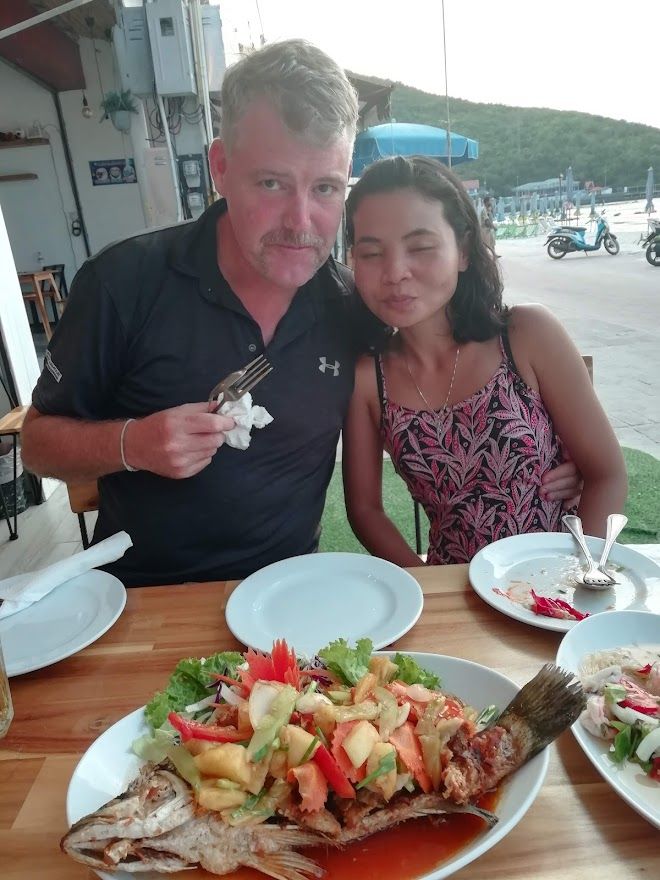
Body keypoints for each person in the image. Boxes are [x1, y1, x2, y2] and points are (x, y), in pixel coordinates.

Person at [20, 42, 581, 586]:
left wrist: (546, 460)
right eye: (272, 183)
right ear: (221, 167)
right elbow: (37, 445)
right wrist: (133, 443)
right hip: (146, 596)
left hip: (289, 592)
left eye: (325, 188)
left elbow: (443, 381)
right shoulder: (124, 283)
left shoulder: (353, 307)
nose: (301, 221)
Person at [341, 156, 627, 568]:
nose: (395, 272)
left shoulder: (527, 334)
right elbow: (365, 510)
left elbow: (607, 474)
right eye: (371, 253)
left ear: (463, 250)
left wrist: (575, 579)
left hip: (556, 581)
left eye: (420, 247)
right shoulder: (368, 380)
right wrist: (426, 587)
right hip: (455, 584)